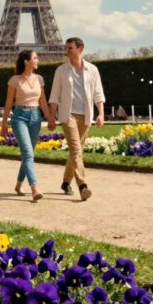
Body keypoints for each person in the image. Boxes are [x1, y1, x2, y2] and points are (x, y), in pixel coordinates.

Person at [48, 37, 105, 202]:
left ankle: (66, 182)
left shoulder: (92, 70)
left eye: (70, 48)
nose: (67, 51)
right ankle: (83, 186)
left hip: (86, 116)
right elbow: (54, 96)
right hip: (68, 115)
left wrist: (100, 114)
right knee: (76, 150)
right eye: (66, 48)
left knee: (76, 153)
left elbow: (98, 93)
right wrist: (52, 117)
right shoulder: (61, 71)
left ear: (80, 49)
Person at [0, 49, 55, 202]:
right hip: (19, 118)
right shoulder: (14, 80)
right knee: (28, 153)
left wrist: (50, 118)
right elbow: (9, 103)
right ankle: (34, 187)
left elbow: (42, 101)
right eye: (35, 58)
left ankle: (18, 184)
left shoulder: (40, 79)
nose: (38, 60)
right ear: (26, 61)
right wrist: (4, 124)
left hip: (36, 117)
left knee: (27, 155)